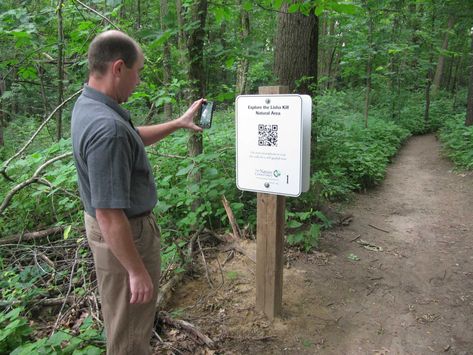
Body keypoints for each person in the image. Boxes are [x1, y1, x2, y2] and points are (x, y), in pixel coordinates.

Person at [71, 30, 204, 354]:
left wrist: (178, 122)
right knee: (130, 335)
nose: (139, 80)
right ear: (118, 68)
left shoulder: (89, 103)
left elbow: (131, 138)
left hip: (113, 234)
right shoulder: (108, 130)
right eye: (138, 71)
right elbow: (108, 213)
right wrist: (136, 271)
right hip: (125, 235)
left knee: (124, 323)